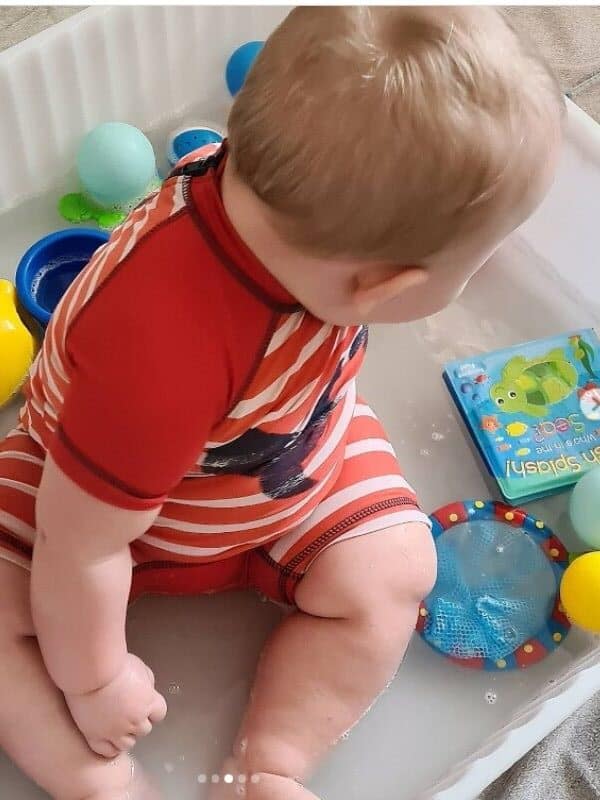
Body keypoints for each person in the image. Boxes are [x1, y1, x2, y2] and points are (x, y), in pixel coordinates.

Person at [0, 7, 563, 799]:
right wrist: (94, 682)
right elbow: (80, 548)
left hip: (287, 462)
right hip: (87, 503)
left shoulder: (282, 190)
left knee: (400, 570)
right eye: (475, 262)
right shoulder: (159, 356)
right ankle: (100, 783)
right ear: (386, 287)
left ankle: (270, 763)